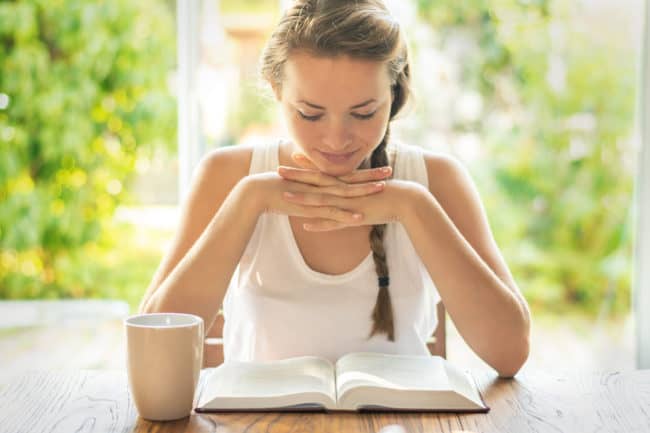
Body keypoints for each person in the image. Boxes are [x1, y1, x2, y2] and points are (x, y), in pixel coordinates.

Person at [139, 0, 531, 378]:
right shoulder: (227, 176)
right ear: (276, 89)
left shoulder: (436, 180)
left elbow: (509, 352)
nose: (336, 139)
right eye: (310, 113)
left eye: (363, 113)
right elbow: (153, 347)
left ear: (392, 95)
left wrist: (413, 207)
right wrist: (248, 201)